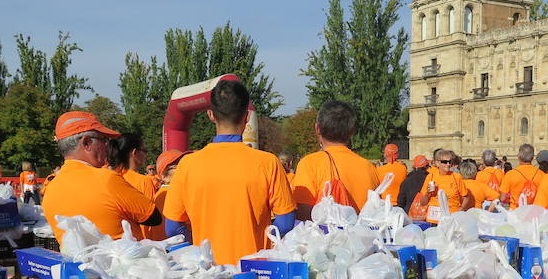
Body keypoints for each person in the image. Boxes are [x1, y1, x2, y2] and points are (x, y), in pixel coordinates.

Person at [164, 78, 296, 264]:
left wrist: (199, 249)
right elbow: (285, 223)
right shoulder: (268, 163)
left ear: (210, 115)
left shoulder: (187, 165)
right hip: (255, 272)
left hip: (209, 276)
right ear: (247, 117)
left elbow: (173, 228)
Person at [42, 111, 161, 245]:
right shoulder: (106, 179)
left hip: (79, 264)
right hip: (125, 263)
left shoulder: (50, 190)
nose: (108, 146)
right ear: (86, 143)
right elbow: (153, 218)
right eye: (104, 140)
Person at [292, 101, 379, 219]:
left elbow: (302, 214)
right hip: (361, 235)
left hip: (324, 236)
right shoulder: (369, 167)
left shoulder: (309, 164)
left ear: (317, 128)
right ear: (352, 131)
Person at [108, 133, 160, 241]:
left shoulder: (108, 178)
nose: (146, 155)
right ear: (135, 153)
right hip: (138, 242)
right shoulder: (144, 181)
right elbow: (150, 221)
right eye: (144, 151)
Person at [417, 149, 474, 222]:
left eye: (449, 162)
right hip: (434, 219)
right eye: (444, 162)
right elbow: (422, 203)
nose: (448, 164)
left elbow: (466, 197)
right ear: (437, 163)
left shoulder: (456, 177)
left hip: (452, 218)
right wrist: (427, 193)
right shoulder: (430, 177)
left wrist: (461, 209)